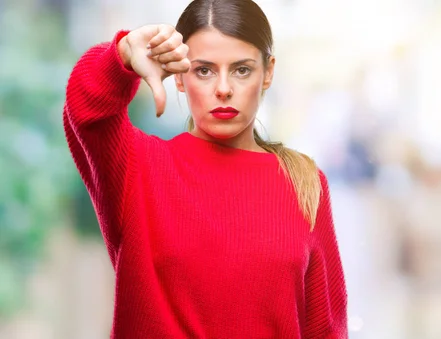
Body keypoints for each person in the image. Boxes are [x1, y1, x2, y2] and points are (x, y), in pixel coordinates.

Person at [63, 0, 348, 337]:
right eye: (204, 70)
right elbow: (86, 111)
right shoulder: (140, 167)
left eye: (241, 69)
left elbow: (327, 328)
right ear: (180, 77)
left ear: (268, 72)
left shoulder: (305, 183)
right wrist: (123, 53)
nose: (223, 88)